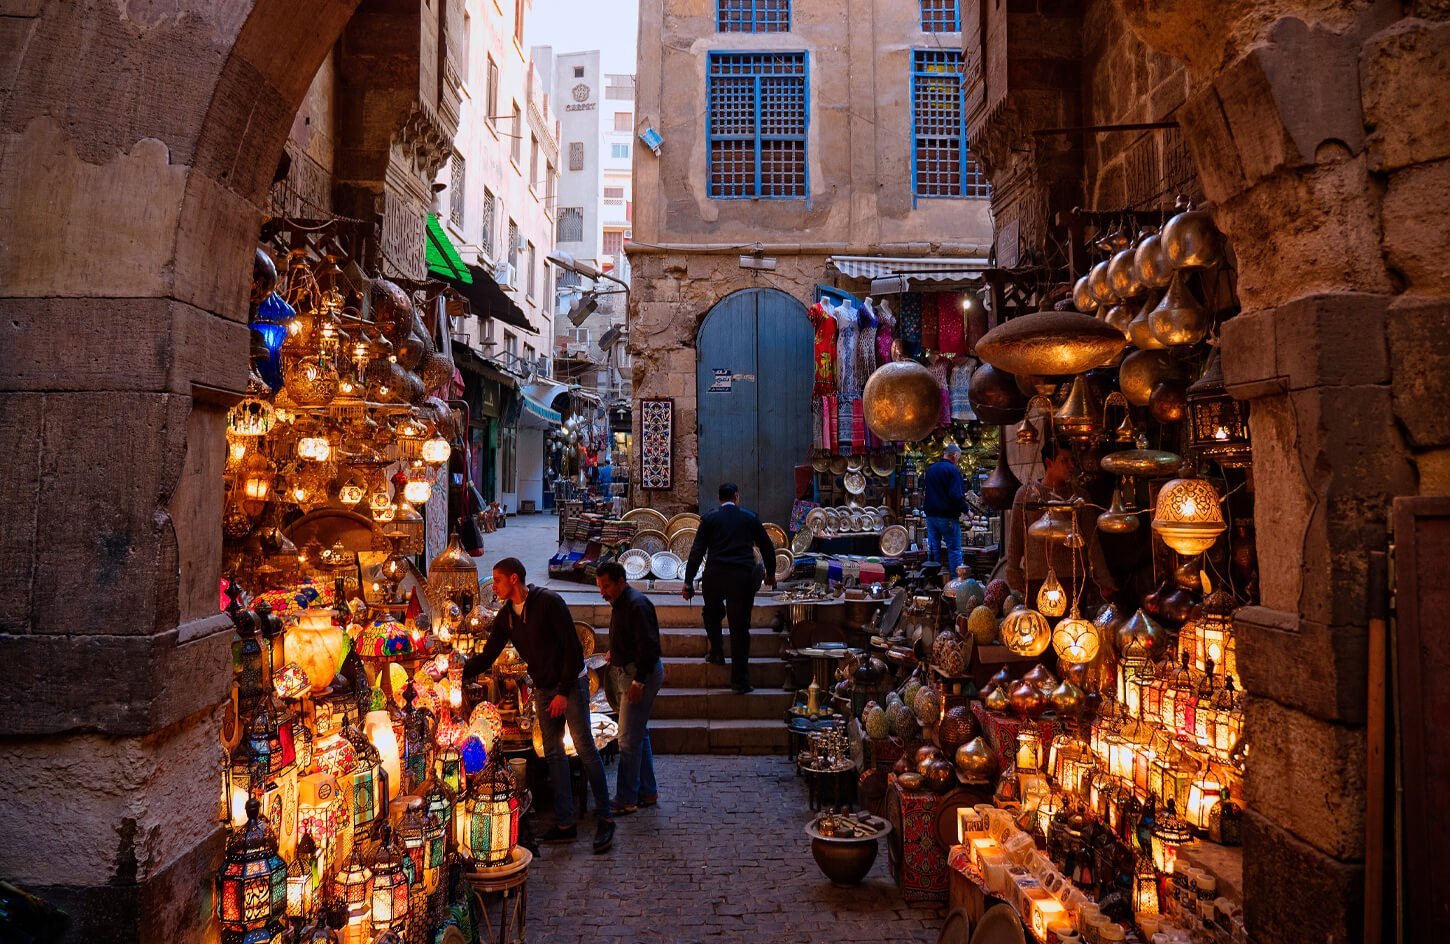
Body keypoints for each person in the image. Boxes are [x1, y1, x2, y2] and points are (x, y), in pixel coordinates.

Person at [463, 557, 615, 853]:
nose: (494, 587)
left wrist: (563, 693)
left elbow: (573, 650)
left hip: (571, 683)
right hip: (545, 688)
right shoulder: (507, 617)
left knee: (584, 748)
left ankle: (606, 818)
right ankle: (565, 823)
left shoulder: (549, 602)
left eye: (497, 580)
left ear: (514, 579)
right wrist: (459, 670)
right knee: (553, 753)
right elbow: (489, 655)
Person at [682, 483, 777, 693]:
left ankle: (717, 651)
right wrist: (771, 573)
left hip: (714, 576)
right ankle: (739, 681)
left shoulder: (709, 519)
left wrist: (688, 581)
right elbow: (767, 547)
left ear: (719, 498)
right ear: (736, 497)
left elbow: (697, 551)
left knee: (711, 614)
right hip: (742, 578)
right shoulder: (750, 518)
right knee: (739, 628)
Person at [1003, 439, 1116, 607]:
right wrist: (1013, 572)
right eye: (1065, 461)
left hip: (1074, 578)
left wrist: (1104, 579)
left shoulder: (1079, 497)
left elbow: (1093, 542)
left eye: (1072, 460)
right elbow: (1016, 538)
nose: (1071, 466)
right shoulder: (1026, 495)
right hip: (1037, 578)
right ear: (1049, 462)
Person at [595, 561, 662, 815]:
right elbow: (629, 637)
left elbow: (649, 647)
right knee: (638, 733)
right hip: (631, 671)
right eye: (600, 587)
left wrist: (638, 681)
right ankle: (647, 791)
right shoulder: (621, 602)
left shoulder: (637, 605)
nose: (602, 592)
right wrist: (616, 652)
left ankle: (626, 798)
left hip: (640, 674)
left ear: (621, 582)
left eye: (606, 586)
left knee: (626, 739)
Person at [923, 443, 967, 572]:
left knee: (933, 549)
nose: (958, 461)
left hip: (931, 517)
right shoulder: (953, 471)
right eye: (958, 458)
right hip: (947, 517)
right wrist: (967, 510)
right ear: (955, 455)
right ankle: (956, 580)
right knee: (954, 550)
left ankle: (933, 577)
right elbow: (956, 495)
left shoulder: (930, 470)